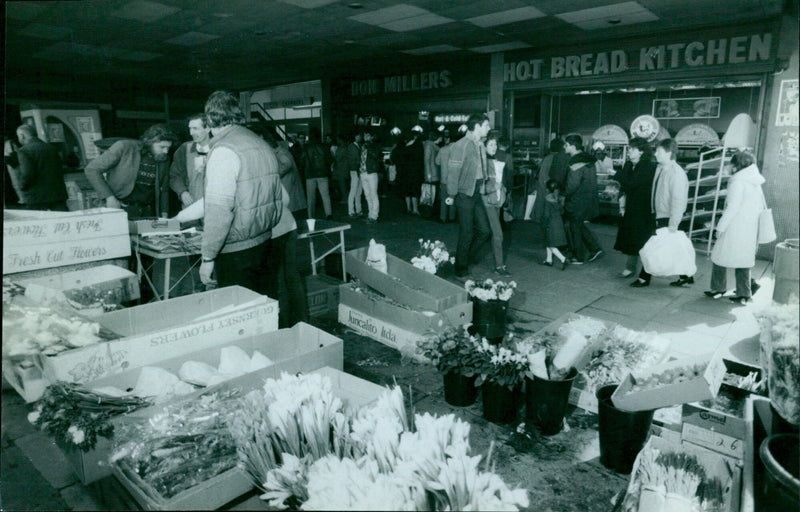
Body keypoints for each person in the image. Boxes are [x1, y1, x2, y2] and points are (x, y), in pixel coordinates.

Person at [196, 90, 283, 296]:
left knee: (239, 314)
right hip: (265, 240)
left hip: (237, 251)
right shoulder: (259, 142)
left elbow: (219, 210)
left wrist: (208, 257)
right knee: (263, 308)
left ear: (209, 118)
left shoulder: (224, 150)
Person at [631, 138, 694, 288]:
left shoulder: (676, 174)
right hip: (658, 213)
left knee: (652, 246)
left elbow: (679, 201)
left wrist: (673, 223)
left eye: (658, 151)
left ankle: (644, 278)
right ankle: (686, 276)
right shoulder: (660, 168)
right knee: (671, 247)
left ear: (669, 153)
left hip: (667, 217)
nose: (655, 154)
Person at [705, 151, 766, 304]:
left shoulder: (738, 181)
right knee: (744, 260)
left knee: (719, 256)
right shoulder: (754, 180)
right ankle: (744, 293)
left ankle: (718, 289)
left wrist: (719, 228)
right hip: (749, 227)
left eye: (732, 163)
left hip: (734, 226)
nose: (729, 166)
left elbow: (732, 207)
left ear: (738, 165)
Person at [84, 123, 174, 219]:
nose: (166, 152)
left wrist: (164, 214)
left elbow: (164, 189)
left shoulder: (163, 158)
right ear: (149, 142)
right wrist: (109, 197)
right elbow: (92, 169)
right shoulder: (125, 147)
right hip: (120, 208)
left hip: (147, 212)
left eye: (168, 147)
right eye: (162, 147)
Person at [445, 114, 492, 278]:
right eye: (486, 125)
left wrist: (484, 185)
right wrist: (451, 194)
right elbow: (453, 171)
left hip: (476, 192)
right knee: (467, 233)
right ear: (477, 126)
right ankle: (460, 268)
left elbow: (482, 169)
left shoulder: (480, 145)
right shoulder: (461, 145)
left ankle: (464, 258)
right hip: (464, 194)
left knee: (485, 231)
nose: (489, 128)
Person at [613, 137, 657, 278]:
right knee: (631, 238)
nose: (629, 151)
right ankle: (630, 267)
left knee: (643, 240)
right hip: (631, 207)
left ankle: (646, 272)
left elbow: (633, 183)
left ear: (641, 151)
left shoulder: (647, 166)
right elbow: (626, 186)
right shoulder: (629, 165)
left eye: (632, 149)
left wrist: (616, 174)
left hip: (643, 209)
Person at [272, 183, 309, 327]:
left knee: (278, 280)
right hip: (288, 224)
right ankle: (302, 323)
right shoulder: (270, 169)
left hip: (271, 231)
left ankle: (284, 327)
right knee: (292, 277)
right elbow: (286, 199)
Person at [6, 124, 68, 210]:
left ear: (22, 135)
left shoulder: (24, 151)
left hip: (36, 198)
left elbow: (27, 174)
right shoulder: (51, 148)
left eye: (18, 136)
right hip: (58, 194)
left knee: (38, 222)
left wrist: (21, 186)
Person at [563, 134, 603, 264]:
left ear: (573, 146)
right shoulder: (589, 160)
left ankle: (578, 256)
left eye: (566, 145)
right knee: (578, 225)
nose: (564, 147)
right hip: (588, 199)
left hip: (577, 200)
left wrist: (564, 194)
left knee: (574, 226)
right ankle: (594, 248)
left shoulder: (576, 162)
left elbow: (572, 185)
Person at [170, 113, 210, 212]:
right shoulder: (184, 149)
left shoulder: (219, 149)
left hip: (213, 208)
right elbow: (174, 175)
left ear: (208, 128)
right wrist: (182, 191)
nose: (191, 133)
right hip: (190, 206)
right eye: (190, 129)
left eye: (195, 128)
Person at [483, 133, 510, 276]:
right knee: (498, 234)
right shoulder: (483, 163)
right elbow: (481, 188)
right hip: (487, 202)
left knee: (489, 233)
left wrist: (502, 189)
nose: (494, 147)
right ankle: (499, 267)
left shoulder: (496, 160)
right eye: (491, 145)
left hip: (496, 201)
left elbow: (501, 182)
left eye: (495, 145)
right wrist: (496, 187)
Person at [263, 131, 306, 217]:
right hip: (290, 181)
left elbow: (287, 164)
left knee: (289, 205)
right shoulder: (282, 151)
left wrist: (277, 173)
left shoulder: (280, 152)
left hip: (288, 182)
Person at [531, 138, 570, 222]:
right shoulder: (556, 158)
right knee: (547, 204)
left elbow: (542, 172)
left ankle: (538, 219)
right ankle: (544, 220)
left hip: (543, 182)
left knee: (540, 202)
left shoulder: (548, 157)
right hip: (549, 184)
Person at [435, 124, 465, 223]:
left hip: (444, 178)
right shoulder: (459, 150)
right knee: (452, 197)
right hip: (455, 179)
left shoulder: (442, 149)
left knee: (444, 198)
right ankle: (452, 217)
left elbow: (437, 162)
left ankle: (443, 217)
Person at [300, 129, 333, 220]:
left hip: (310, 175)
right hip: (323, 174)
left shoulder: (306, 147)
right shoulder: (325, 146)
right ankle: (328, 214)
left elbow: (302, 160)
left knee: (311, 197)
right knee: (325, 195)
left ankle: (311, 216)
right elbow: (330, 160)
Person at [393, 125, 425, 215]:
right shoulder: (418, 145)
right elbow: (420, 159)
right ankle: (415, 209)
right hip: (415, 171)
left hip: (405, 171)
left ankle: (408, 208)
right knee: (414, 190)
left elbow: (396, 157)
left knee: (407, 190)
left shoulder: (403, 146)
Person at [540, 179, 569, 270]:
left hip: (550, 224)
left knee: (552, 245)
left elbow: (546, 214)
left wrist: (543, 222)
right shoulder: (558, 198)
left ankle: (563, 259)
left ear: (548, 189)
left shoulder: (547, 199)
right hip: (558, 224)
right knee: (548, 242)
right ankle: (549, 260)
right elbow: (562, 211)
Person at [359, 131, 381, 224]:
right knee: (367, 195)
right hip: (363, 172)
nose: (365, 137)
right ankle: (370, 214)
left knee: (373, 194)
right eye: (364, 135)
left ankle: (374, 216)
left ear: (372, 136)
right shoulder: (363, 146)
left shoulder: (375, 145)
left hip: (371, 173)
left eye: (368, 135)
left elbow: (375, 155)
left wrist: (369, 146)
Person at [344, 132, 364, 218]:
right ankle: (351, 211)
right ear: (355, 137)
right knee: (354, 191)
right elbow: (357, 159)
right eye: (358, 135)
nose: (360, 137)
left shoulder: (355, 146)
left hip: (356, 171)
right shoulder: (353, 147)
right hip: (355, 171)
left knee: (357, 191)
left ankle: (358, 210)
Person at [423, 130, 441, 216]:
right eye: (440, 137)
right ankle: (429, 212)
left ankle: (430, 211)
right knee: (431, 194)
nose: (441, 139)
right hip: (432, 174)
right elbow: (427, 161)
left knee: (431, 194)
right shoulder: (430, 146)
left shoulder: (431, 145)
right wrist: (428, 174)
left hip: (434, 174)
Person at [332, 135, 349, 204]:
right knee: (342, 184)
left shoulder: (343, 148)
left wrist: (332, 154)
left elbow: (338, 158)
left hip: (342, 168)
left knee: (342, 184)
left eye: (338, 139)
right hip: (341, 168)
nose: (337, 141)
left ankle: (345, 198)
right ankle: (344, 197)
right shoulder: (342, 147)